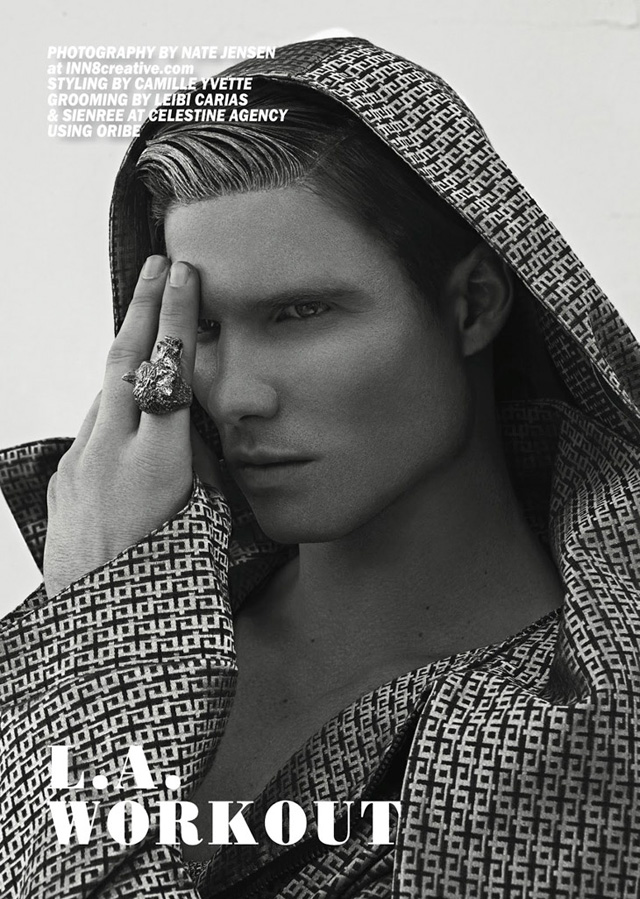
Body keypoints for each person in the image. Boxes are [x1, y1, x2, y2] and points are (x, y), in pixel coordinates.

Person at [1, 36, 639, 899]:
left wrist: (103, 662)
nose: (236, 394)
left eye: (300, 313)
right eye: (204, 329)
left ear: (474, 305)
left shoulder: (598, 725)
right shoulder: (97, 617)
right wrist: (109, 622)